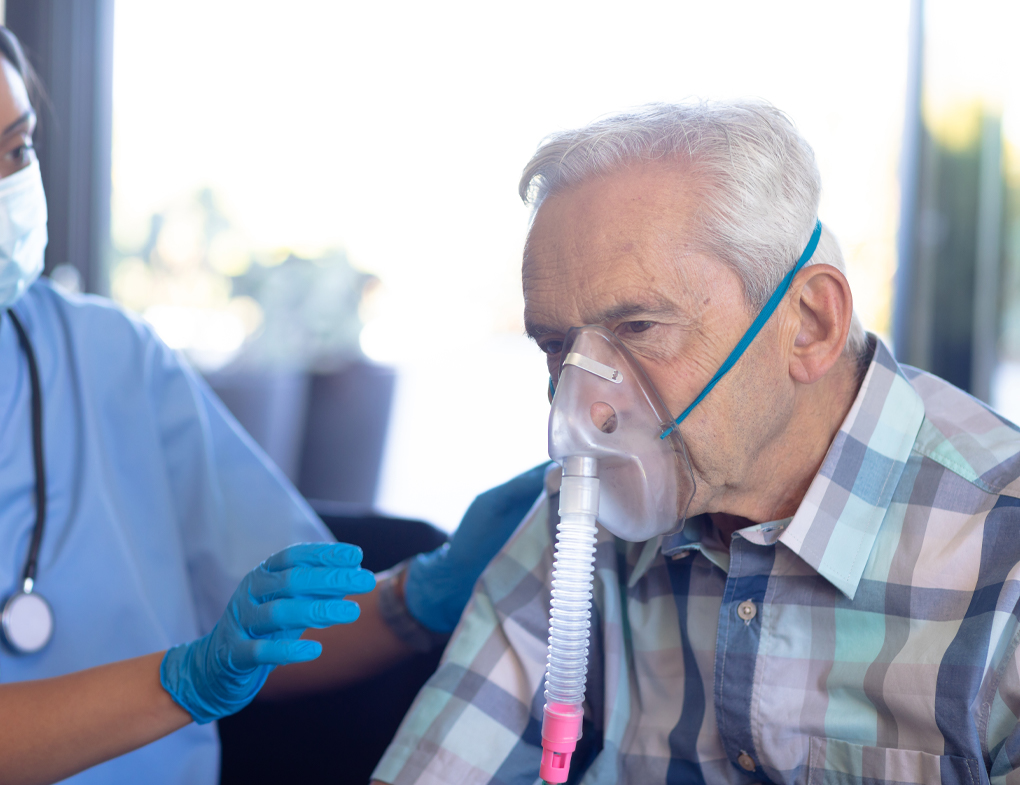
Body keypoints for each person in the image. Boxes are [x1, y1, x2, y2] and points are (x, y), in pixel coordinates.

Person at [0, 2, 544, 783]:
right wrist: (183, 679)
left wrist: (428, 589)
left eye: (16, 151)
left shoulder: (111, 354)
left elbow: (279, 637)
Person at [372, 101, 1020, 785]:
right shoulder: (581, 520)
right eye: (557, 345)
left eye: (640, 327)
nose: (586, 406)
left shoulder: (1003, 560)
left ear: (808, 324)